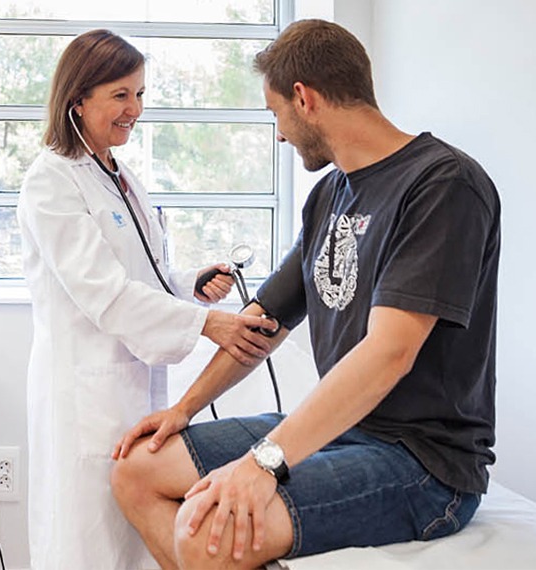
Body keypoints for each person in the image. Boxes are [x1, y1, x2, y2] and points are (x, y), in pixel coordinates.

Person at [109, 19, 500, 570]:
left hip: (423, 461)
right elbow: (262, 321)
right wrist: (182, 409)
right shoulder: (329, 195)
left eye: (276, 116)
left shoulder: (441, 185)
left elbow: (390, 353)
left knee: (205, 535)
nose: (279, 135)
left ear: (305, 98)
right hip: (346, 431)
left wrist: (264, 461)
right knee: (135, 472)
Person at [16, 29, 279, 570]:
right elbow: (104, 292)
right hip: (83, 392)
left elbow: (142, 274)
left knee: (135, 538)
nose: (134, 109)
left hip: (133, 389)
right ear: (77, 100)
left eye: (140, 94)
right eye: (120, 95)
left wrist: (189, 284)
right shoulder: (52, 182)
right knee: (85, 540)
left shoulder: (121, 176)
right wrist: (207, 322)